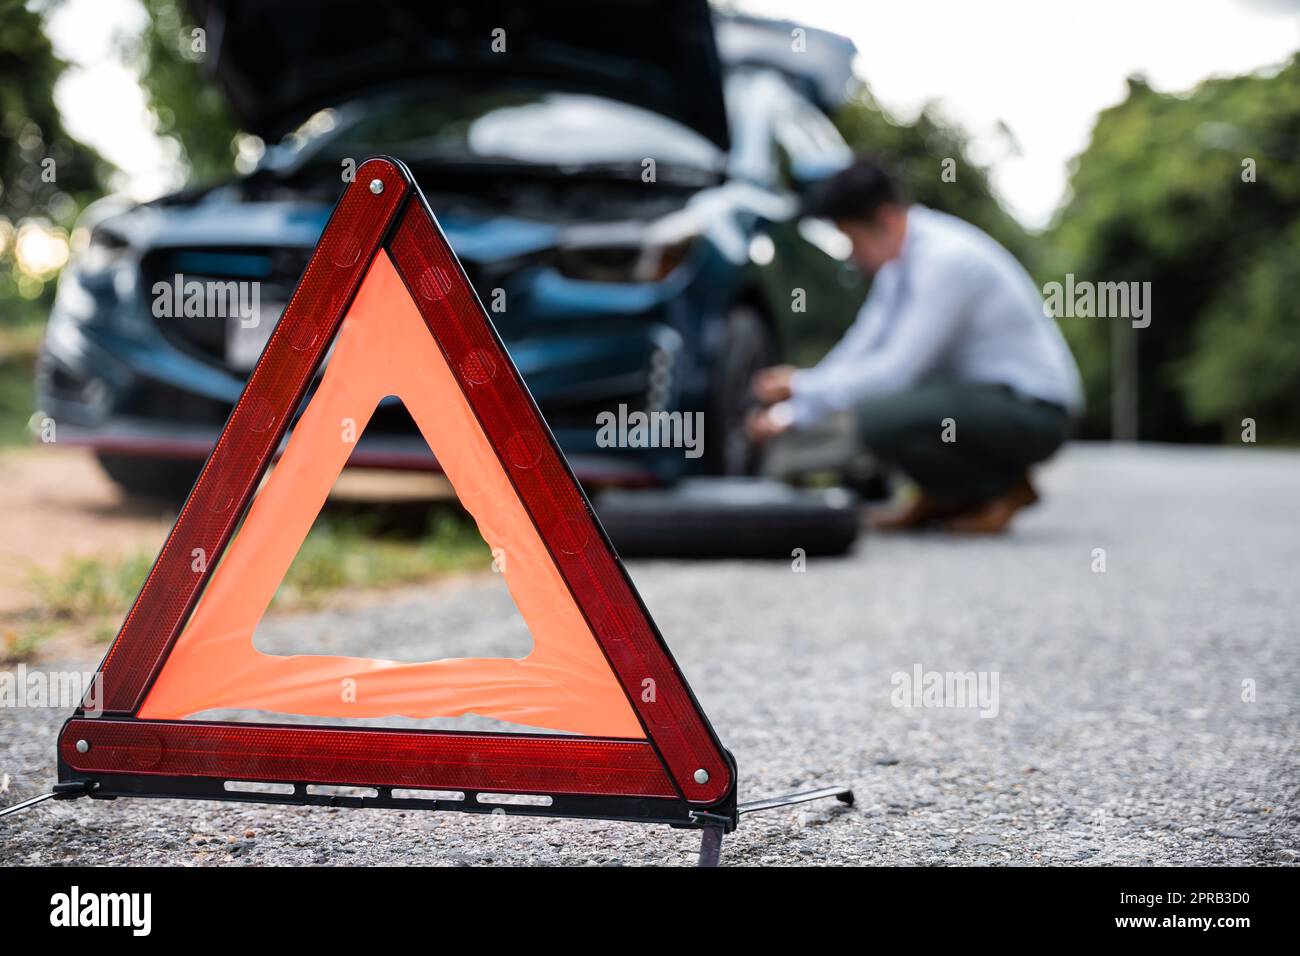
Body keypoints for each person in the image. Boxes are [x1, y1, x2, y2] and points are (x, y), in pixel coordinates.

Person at [746, 157, 1082, 534]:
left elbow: (895, 371)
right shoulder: (898, 268)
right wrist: (790, 412)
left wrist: (798, 386)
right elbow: (859, 349)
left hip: (1035, 411)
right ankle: (946, 495)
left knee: (881, 417)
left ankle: (999, 488)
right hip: (986, 401)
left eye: (853, 239)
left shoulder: (945, 261)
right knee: (895, 410)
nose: (852, 255)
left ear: (886, 220)